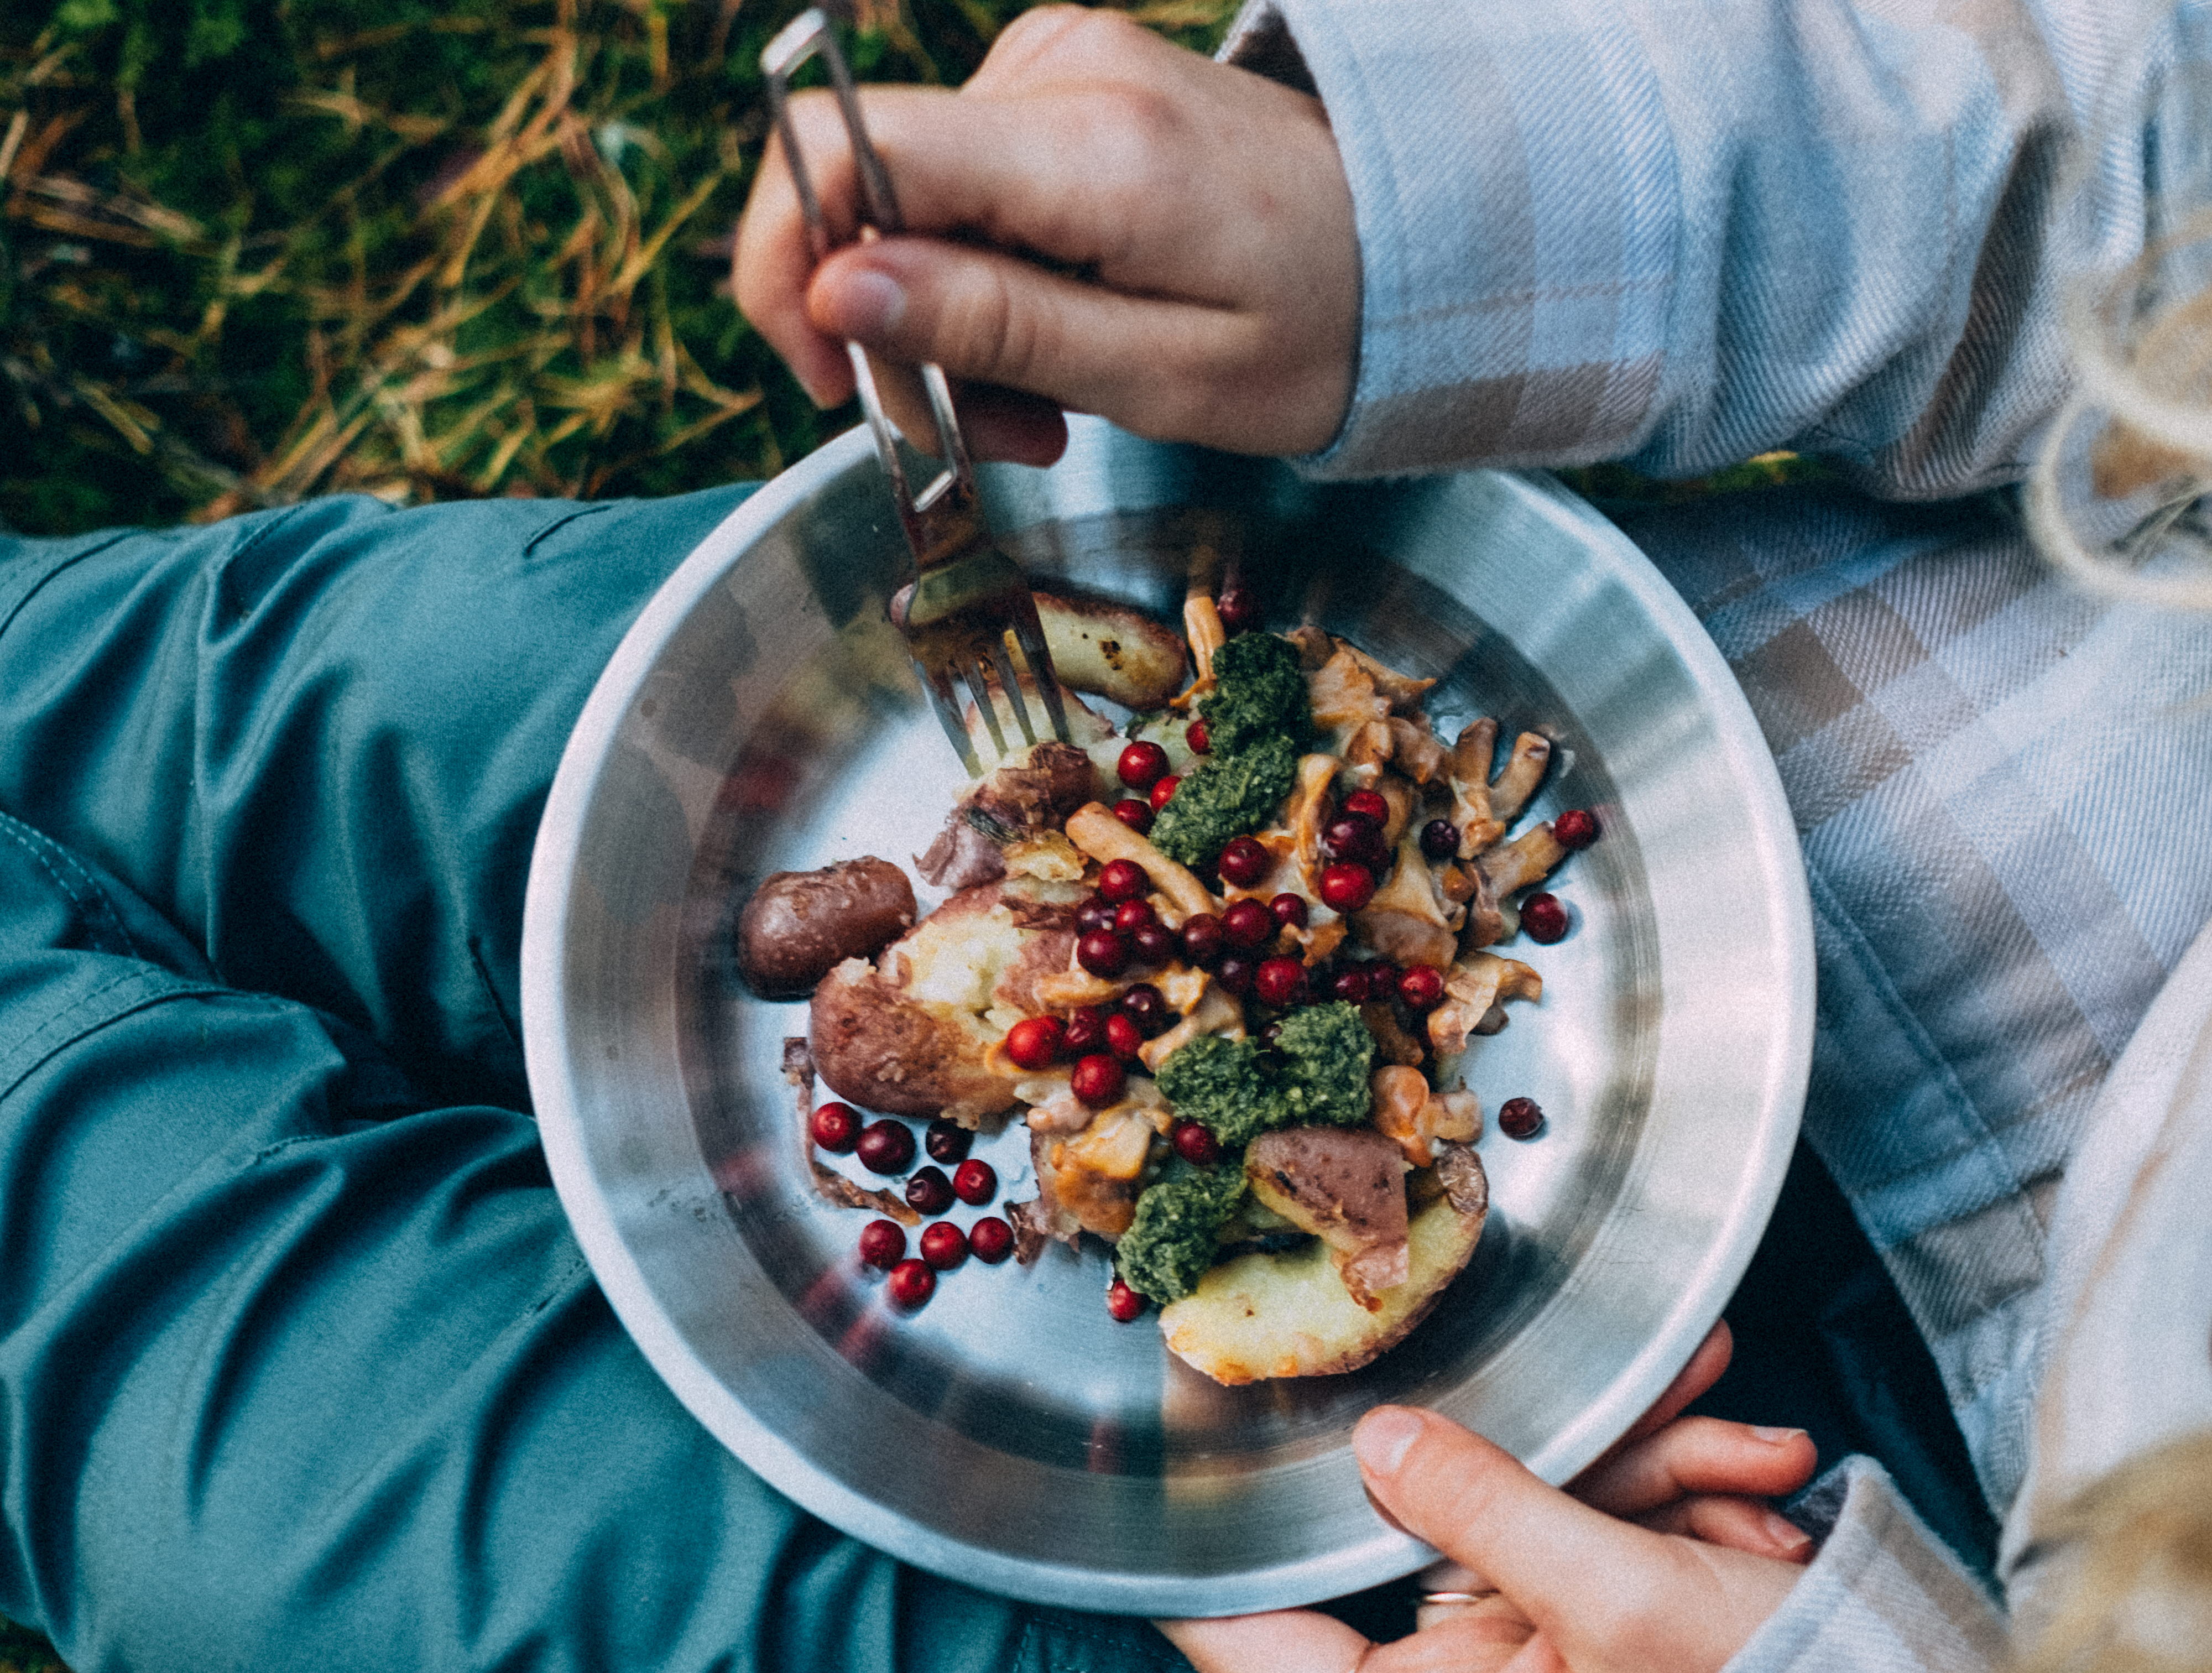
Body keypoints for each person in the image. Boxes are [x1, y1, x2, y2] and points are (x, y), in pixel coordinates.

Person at [0, 4, 2206, 1672]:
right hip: (1764, 716)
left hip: (1738, 1553)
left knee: (196, 1387)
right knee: (279, 699)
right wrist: (1424, 212)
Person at [735, 0, 2212, 1667]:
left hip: (1760, 1515)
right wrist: (1412, 223)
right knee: (401, 719)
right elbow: (2156, 158)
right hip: (1791, 699)